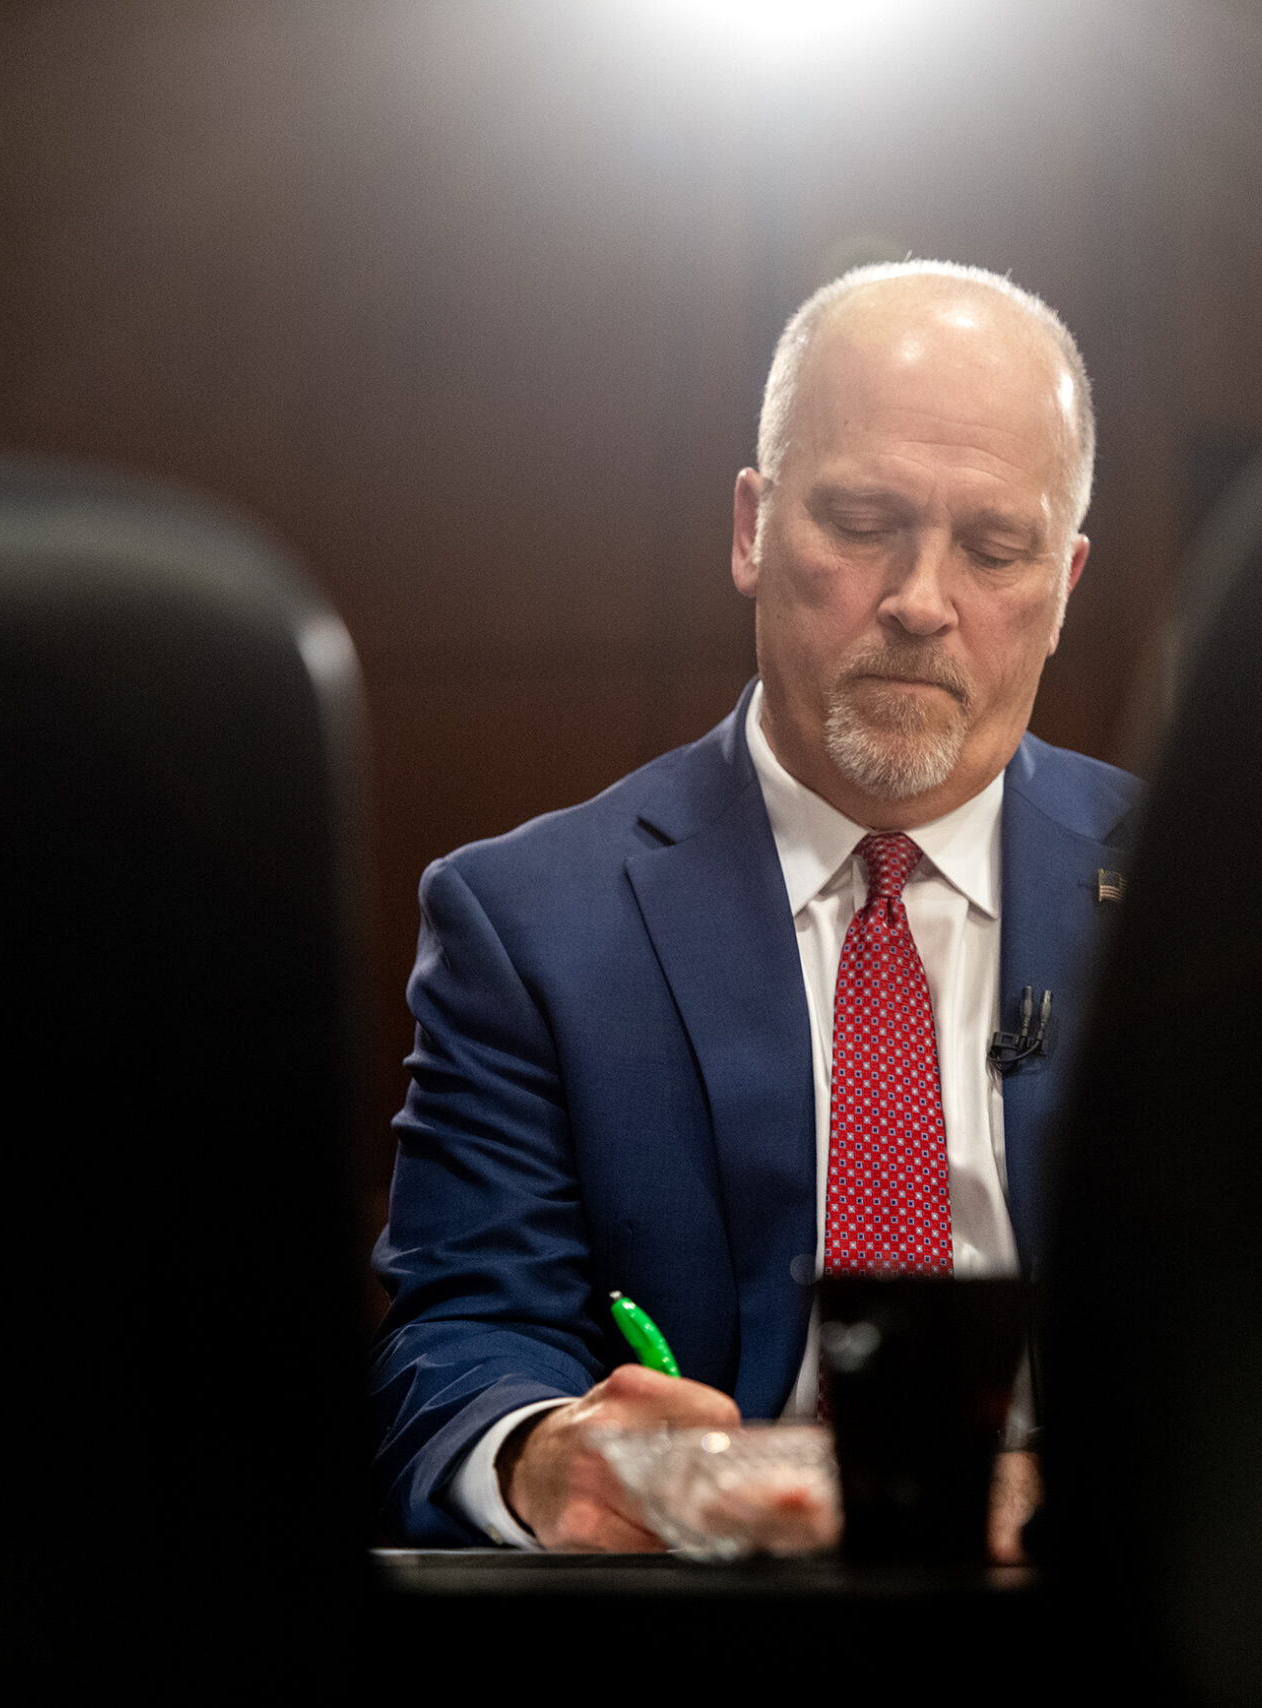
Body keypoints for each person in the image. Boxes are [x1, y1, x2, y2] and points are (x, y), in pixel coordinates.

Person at [370, 261, 1141, 1550]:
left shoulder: (1210, 904)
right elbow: (453, 1345)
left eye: (994, 548)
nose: (919, 601)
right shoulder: (527, 923)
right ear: (752, 529)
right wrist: (544, 1457)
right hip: (699, 1620)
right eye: (861, 520)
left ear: (1063, 583)